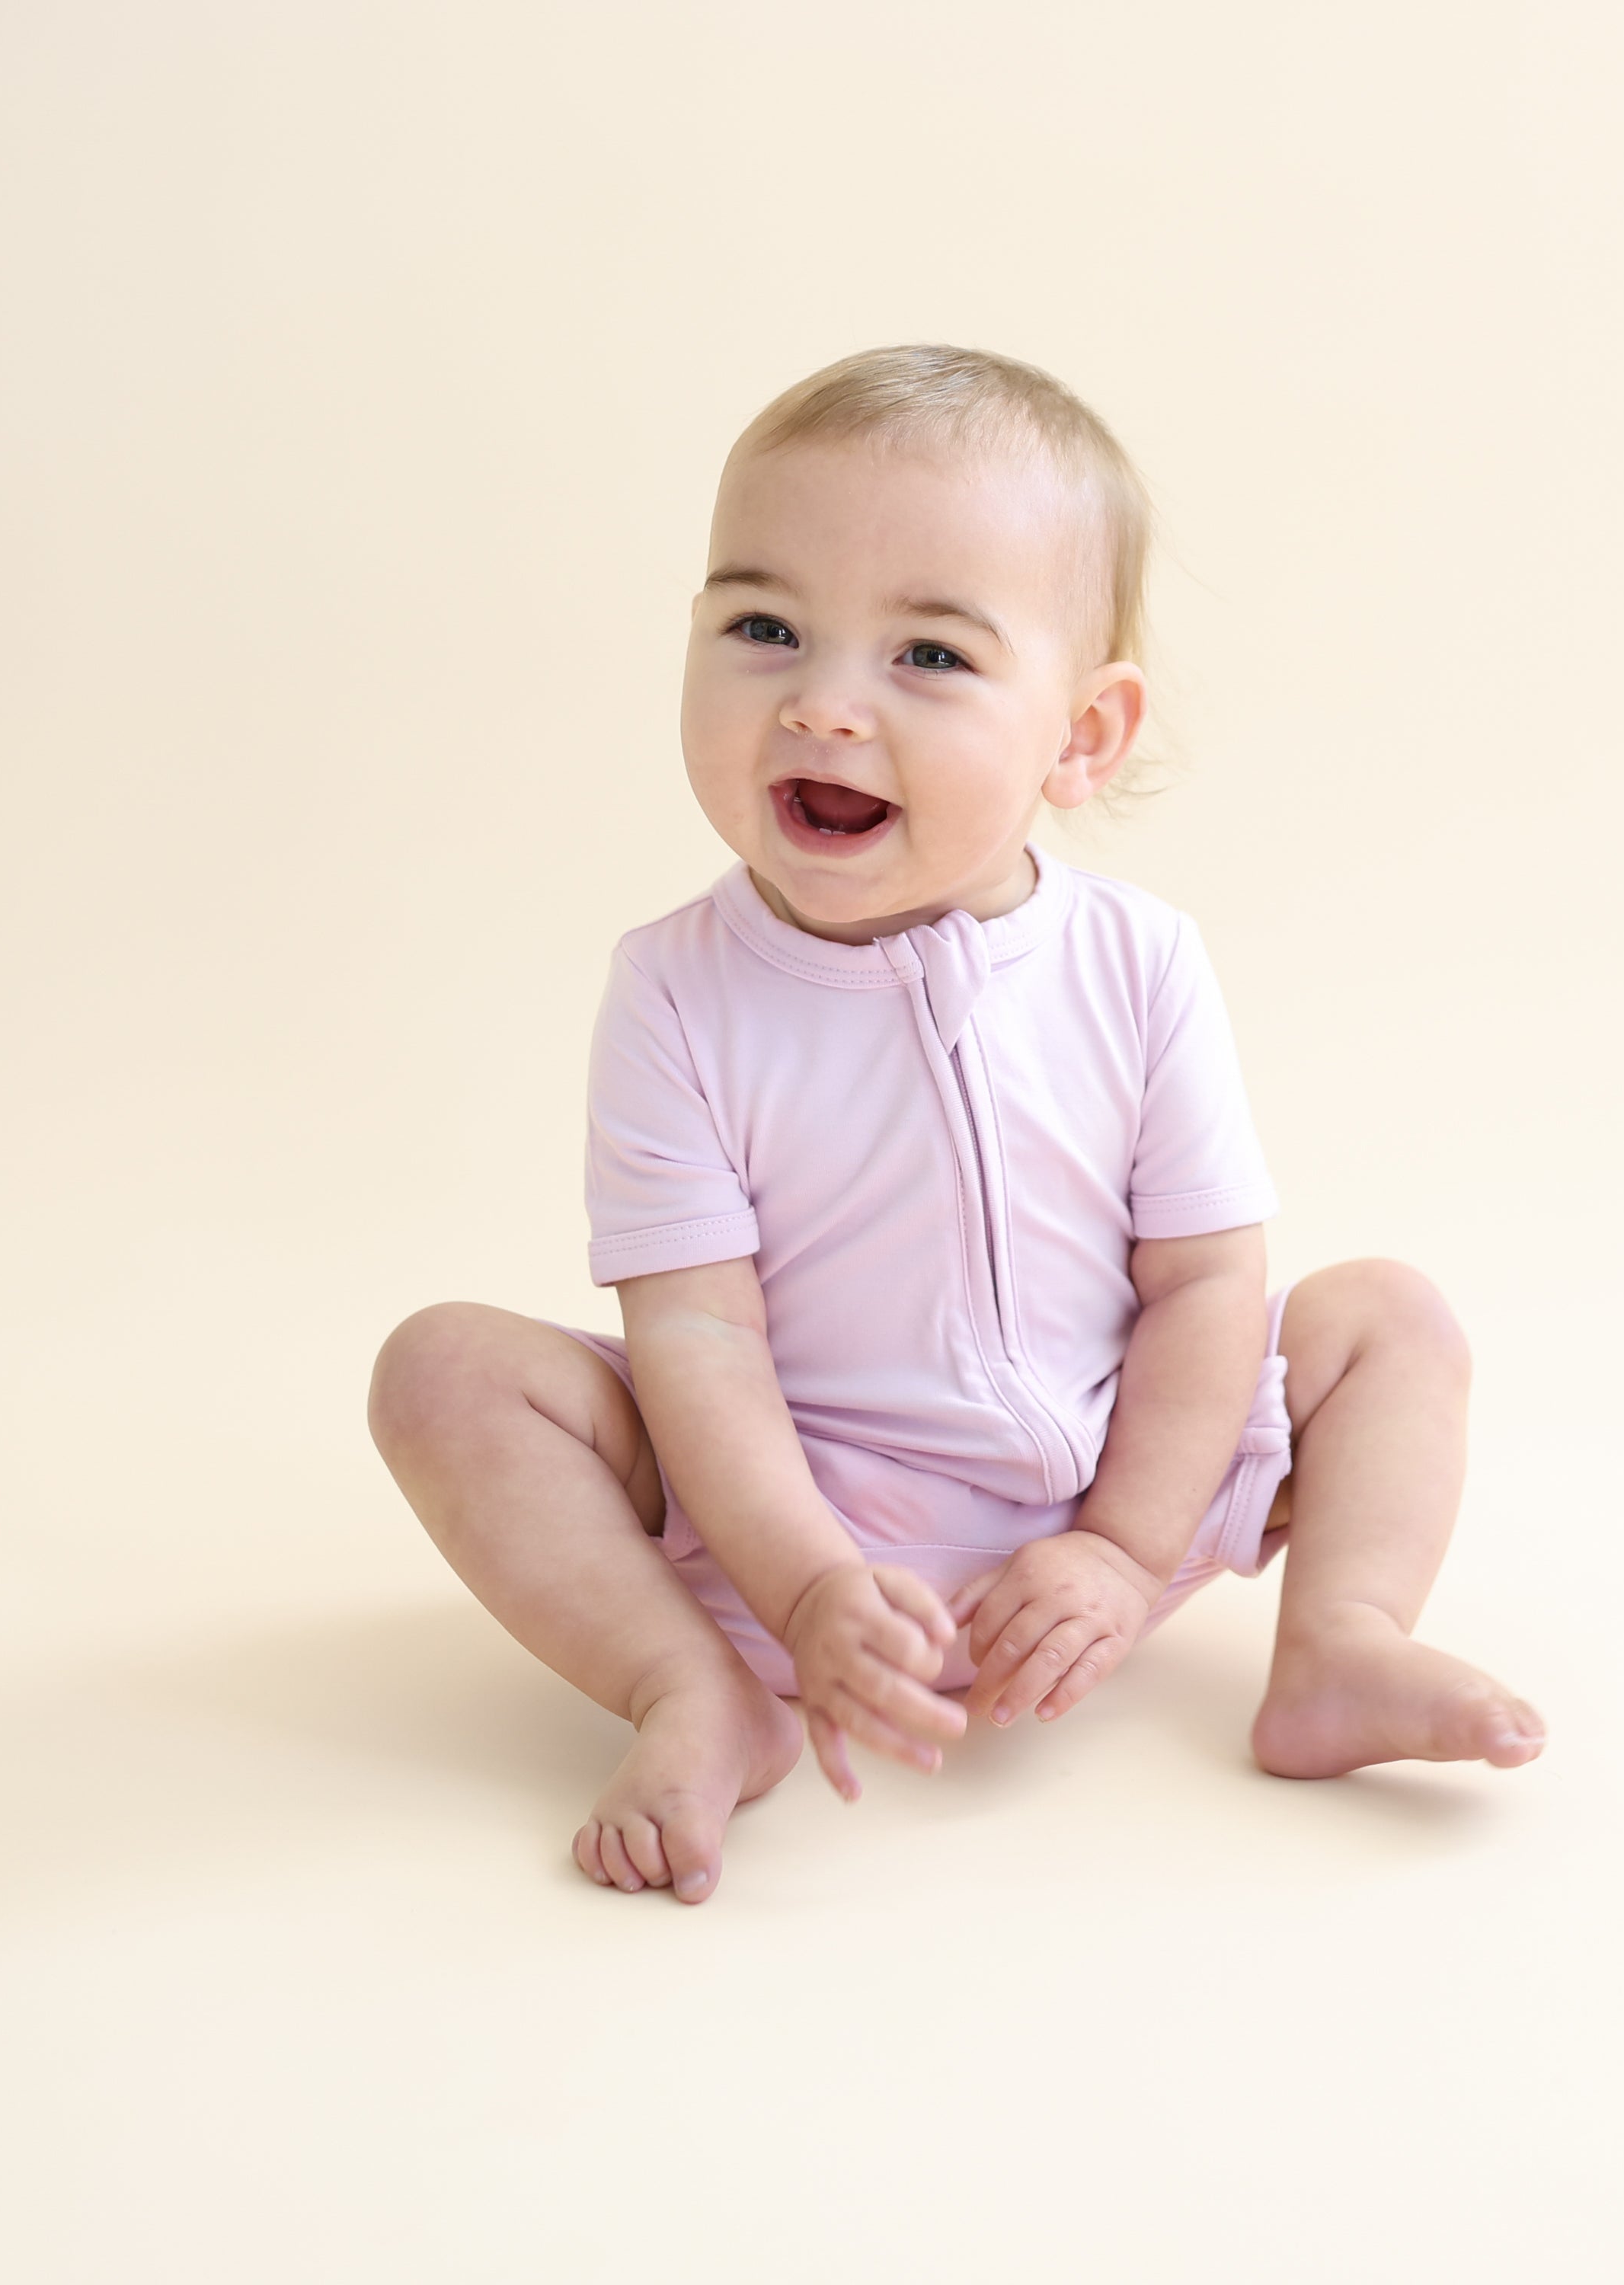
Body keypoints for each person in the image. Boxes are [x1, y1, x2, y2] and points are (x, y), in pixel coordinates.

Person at [368, 344, 1545, 1906]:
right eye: (765, 627)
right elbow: (698, 1341)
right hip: (797, 1511)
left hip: (1132, 1462)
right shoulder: (677, 995)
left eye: (927, 656)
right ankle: (692, 1690)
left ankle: (1341, 1645)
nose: (823, 704)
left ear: (1082, 735)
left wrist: (1123, 1553)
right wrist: (800, 1594)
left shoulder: (1138, 965)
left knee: (1386, 1319)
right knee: (444, 1373)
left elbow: (1201, 1287)